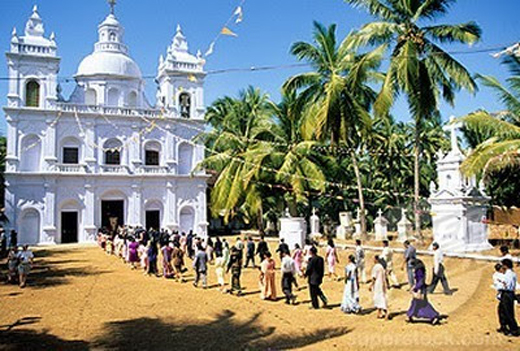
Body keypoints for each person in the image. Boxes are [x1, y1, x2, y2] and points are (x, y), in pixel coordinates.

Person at [406, 259, 440, 325]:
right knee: (421, 304)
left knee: (417, 303)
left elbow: (420, 281)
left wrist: (416, 288)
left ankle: (410, 315)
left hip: (420, 289)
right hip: (421, 288)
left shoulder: (419, 271)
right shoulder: (421, 269)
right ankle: (410, 315)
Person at [497, 259, 519, 336]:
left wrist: (499, 286)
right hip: (508, 294)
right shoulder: (511, 273)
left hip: (507, 294)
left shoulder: (508, 274)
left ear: (505, 265)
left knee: (508, 312)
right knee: (501, 310)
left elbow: (506, 285)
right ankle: (504, 327)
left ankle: (514, 329)